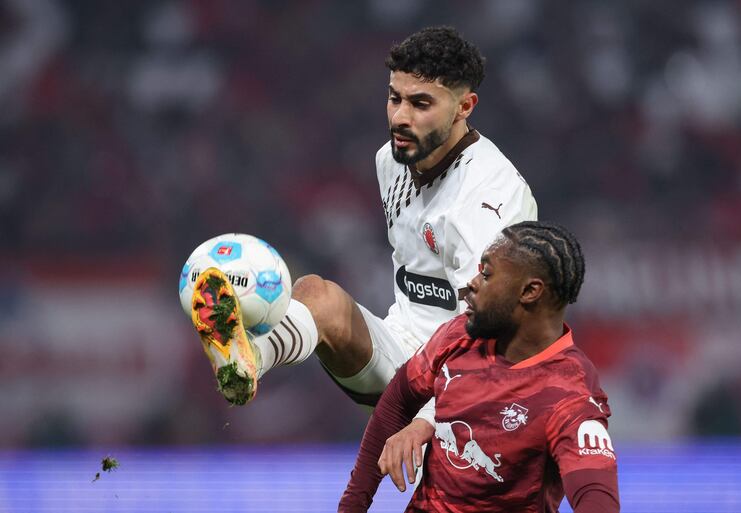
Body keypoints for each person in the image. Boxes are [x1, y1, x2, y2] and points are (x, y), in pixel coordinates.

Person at [190, 27, 538, 440]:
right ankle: (246, 362)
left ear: (464, 106)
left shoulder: (490, 200)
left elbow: (492, 337)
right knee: (317, 294)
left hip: (477, 387)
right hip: (402, 352)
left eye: (421, 103)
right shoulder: (391, 161)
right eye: (395, 99)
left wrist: (428, 418)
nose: (400, 117)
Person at [339, 221, 620, 513]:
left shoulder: (569, 393)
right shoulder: (460, 334)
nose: (471, 284)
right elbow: (397, 401)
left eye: (486, 274)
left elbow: (596, 497)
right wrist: (351, 507)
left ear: (530, 292)